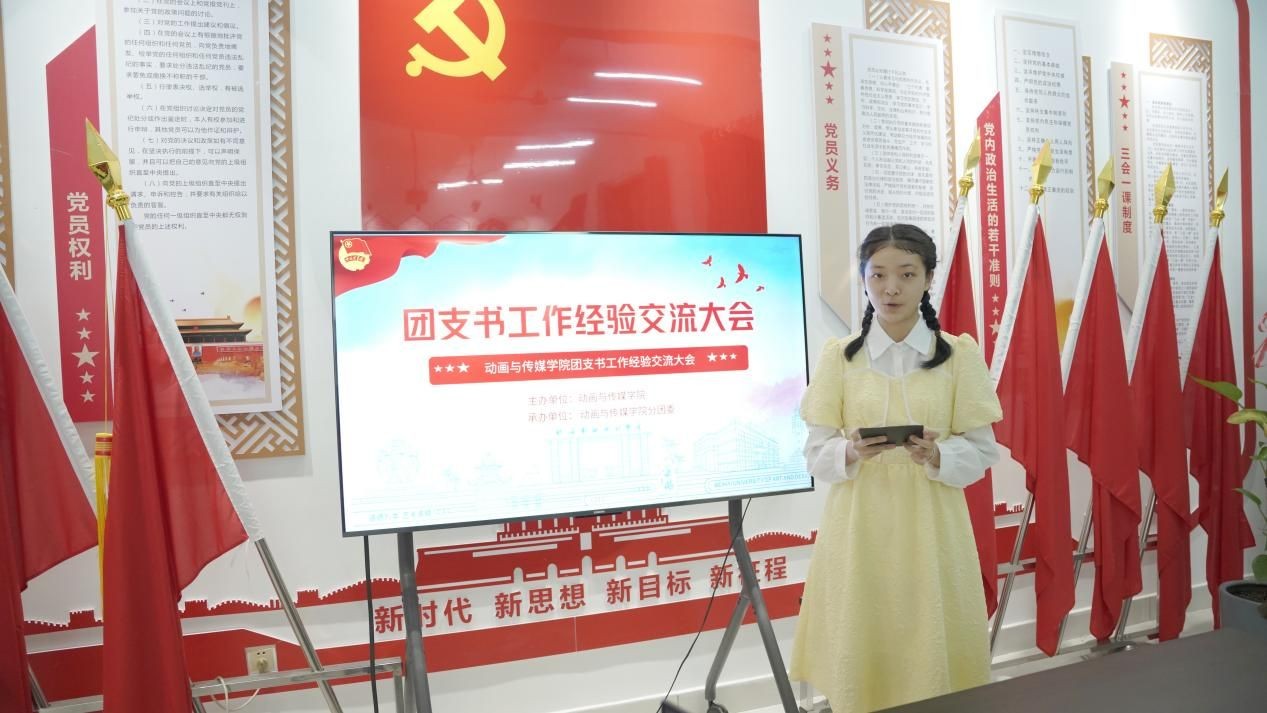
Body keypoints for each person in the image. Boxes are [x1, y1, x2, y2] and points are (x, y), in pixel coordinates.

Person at [789, 223, 1003, 713]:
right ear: (863, 278)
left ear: (928, 278)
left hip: (933, 523)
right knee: (862, 635)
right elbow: (815, 452)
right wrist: (849, 452)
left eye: (907, 274)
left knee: (932, 638)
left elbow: (983, 450)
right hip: (859, 525)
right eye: (878, 274)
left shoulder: (958, 355)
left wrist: (938, 455)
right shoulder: (840, 357)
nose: (891, 288)